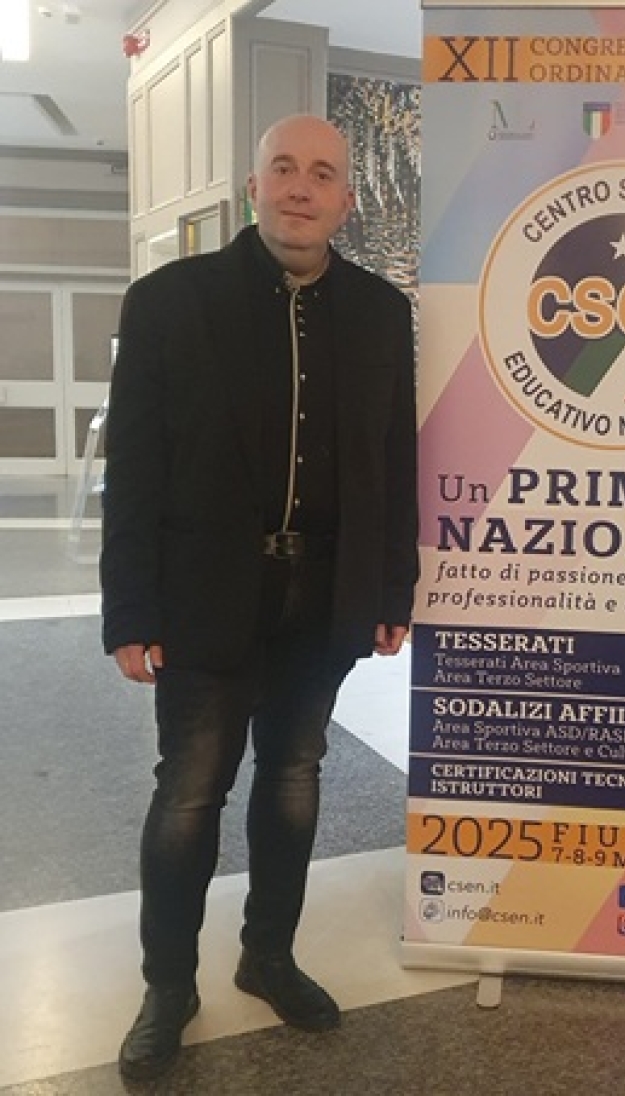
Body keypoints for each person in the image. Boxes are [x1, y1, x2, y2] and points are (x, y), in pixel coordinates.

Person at [100, 114, 418, 1083]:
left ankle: (268, 954)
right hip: (203, 598)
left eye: (321, 173)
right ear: (254, 187)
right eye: (283, 167)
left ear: (345, 200)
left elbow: (394, 458)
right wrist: (129, 609)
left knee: (293, 779)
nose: (300, 187)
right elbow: (134, 467)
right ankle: (168, 985)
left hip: (324, 600)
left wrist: (393, 584)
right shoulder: (169, 301)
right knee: (190, 792)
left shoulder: (380, 312)